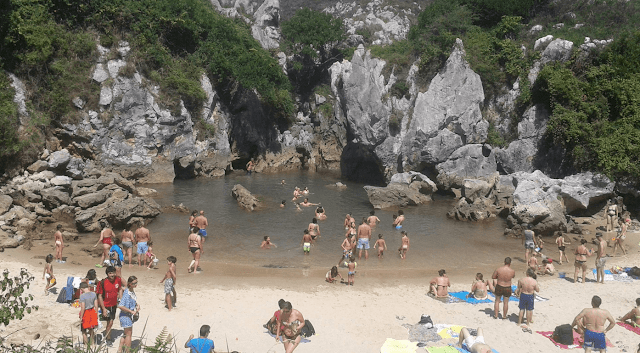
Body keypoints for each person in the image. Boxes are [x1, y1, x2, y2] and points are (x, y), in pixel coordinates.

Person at [97, 266, 123, 345]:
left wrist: (120, 298)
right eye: (110, 273)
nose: (112, 275)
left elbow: (120, 288)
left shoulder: (118, 280)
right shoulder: (102, 282)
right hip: (106, 305)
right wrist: (103, 308)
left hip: (114, 305)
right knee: (110, 322)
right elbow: (99, 296)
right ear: (107, 274)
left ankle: (107, 334)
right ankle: (108, 339)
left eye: (113, 273)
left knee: (110, 321)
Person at [118, 276, 140, 353]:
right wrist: (131, 311)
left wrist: (136, 305)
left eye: (136, 282)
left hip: (127, 316)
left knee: (125, 334)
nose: (136, 285)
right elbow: (120, 306)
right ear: (130, 284)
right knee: (129, 335)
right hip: (125, 316)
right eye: (134, 283)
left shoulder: (130, 290)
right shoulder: (127, 293)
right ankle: (128, 351)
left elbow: (132, 300)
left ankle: (120, 350)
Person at [78, 282, 99, 347]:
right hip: (92, 311)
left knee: (83, 330)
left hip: (86, 313)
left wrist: (81, 317)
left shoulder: (82, 296)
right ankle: (92, 343)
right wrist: (96, 314)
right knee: (91, 328)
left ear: (82, 288)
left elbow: (83, 307)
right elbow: (96, 305)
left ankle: (86, 344)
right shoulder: (94, 294)